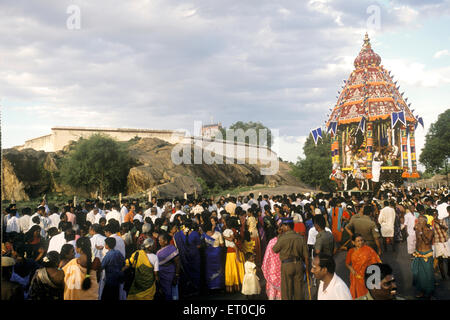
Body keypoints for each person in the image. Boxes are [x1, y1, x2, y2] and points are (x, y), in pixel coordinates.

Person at [272, 217, 309, 300]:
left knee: (286, 291)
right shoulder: (300, 237)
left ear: (287, 226)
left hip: (287, 266)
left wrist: (279, 235)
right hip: (299, 265)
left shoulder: (282, 238)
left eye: (282, 226)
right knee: (299, 290)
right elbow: (306, 255)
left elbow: (275, 250)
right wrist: (307, 269)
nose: (281, 228)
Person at [345, 234, 381, 299]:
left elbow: (376, 261)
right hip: (357, 276)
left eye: (362, 240)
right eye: (358, 241)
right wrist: (351, 269)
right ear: (353, 242)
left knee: (370, 293)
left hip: (369, 275)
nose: (361, 242)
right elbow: (347, 263)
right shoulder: (351, 251)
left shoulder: (368, 249)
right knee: (360, 294)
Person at [173, 221, 201, 297]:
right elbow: (199, 246)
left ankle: (188, 289)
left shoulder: (179, 235)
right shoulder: (195, 234)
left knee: (187, 272)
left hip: (184, 256)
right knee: (196, 272)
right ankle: (196, 288)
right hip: (194, 256)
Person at [411, 215, 434, 299]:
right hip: (418, 254)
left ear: (425, 222)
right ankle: (420, 290)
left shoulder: (430, 230)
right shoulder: (417, 229)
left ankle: (428, 292)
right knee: (417, 274)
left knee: (427, 275)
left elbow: (427, 242)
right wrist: (417, 228)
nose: (418, 223)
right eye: (418, 221)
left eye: (420, 222)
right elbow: (414, 228)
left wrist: (421, 232)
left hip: (426, 254)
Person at [223, 217, 245, 293]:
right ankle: (239, 285)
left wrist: (224, 237)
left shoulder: (228, 231)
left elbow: (231, 240)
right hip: (239, 251)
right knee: (239, 268)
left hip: (230, 252)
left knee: (231, 269)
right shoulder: (238, 230)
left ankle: (231, 286)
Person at [156, 233, 181, 300]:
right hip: (162, 275)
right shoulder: (160, 251)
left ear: (166, 241)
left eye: (160, 240)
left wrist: (176, 275)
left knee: (172, 292)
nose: (159, 242)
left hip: (170, 274)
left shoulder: (172, 249)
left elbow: (177, 263)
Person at [261, 223, 282, 300]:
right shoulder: (287, 240)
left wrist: (265, 267)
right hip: (282, 270)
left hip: (272, 270)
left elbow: (266, 257)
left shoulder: (272, 241)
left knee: (272, 292)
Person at [203, 221, 225, 291]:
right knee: (218, 268)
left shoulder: (204, 235)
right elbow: (222, 244)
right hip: (217, 253)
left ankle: (211, 286)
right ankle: (218, 285)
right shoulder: (218, 234)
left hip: (208, 254)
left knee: (209, 269)